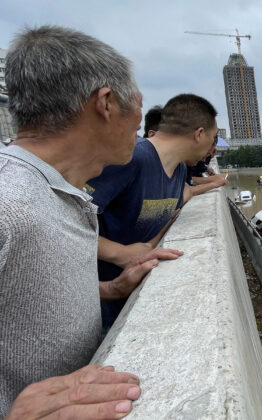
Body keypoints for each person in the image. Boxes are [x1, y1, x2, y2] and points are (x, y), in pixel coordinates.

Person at [0, 25, 156, 419]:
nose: (138, 127)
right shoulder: (9, 201)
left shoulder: (59, 192)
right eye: (136, 114)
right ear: (105, 102)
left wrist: (108, 289)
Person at [87, 93, 219, 328]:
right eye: (212, 138)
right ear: (199, 134)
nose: (211, 148)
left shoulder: (179, 169)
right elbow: (61, 222)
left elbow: (170, 214)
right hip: (97, 308)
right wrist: (120, 253)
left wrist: (149, 248)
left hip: (132, 301)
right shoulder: (131, 158)